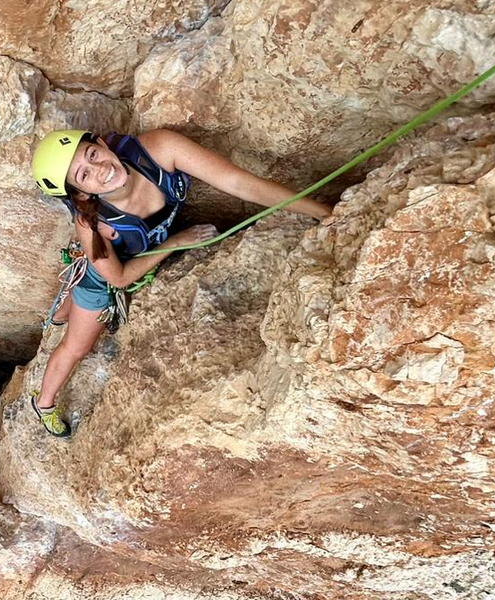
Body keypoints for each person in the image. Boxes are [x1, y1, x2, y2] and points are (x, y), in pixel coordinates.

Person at [29, 129, 333, 437]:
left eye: (92, 155)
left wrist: (320, 212)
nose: (101, 169)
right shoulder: (93, 225)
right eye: (84, 174)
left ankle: (61, 312)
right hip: (102, 278)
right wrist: (176, 242)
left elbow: (238, 183)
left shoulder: (160, 150)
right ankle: (44, 403)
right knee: (77, 347)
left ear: (102, 144)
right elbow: (118, 278)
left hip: (121, 256)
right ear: (81, 194)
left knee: (76, 304)